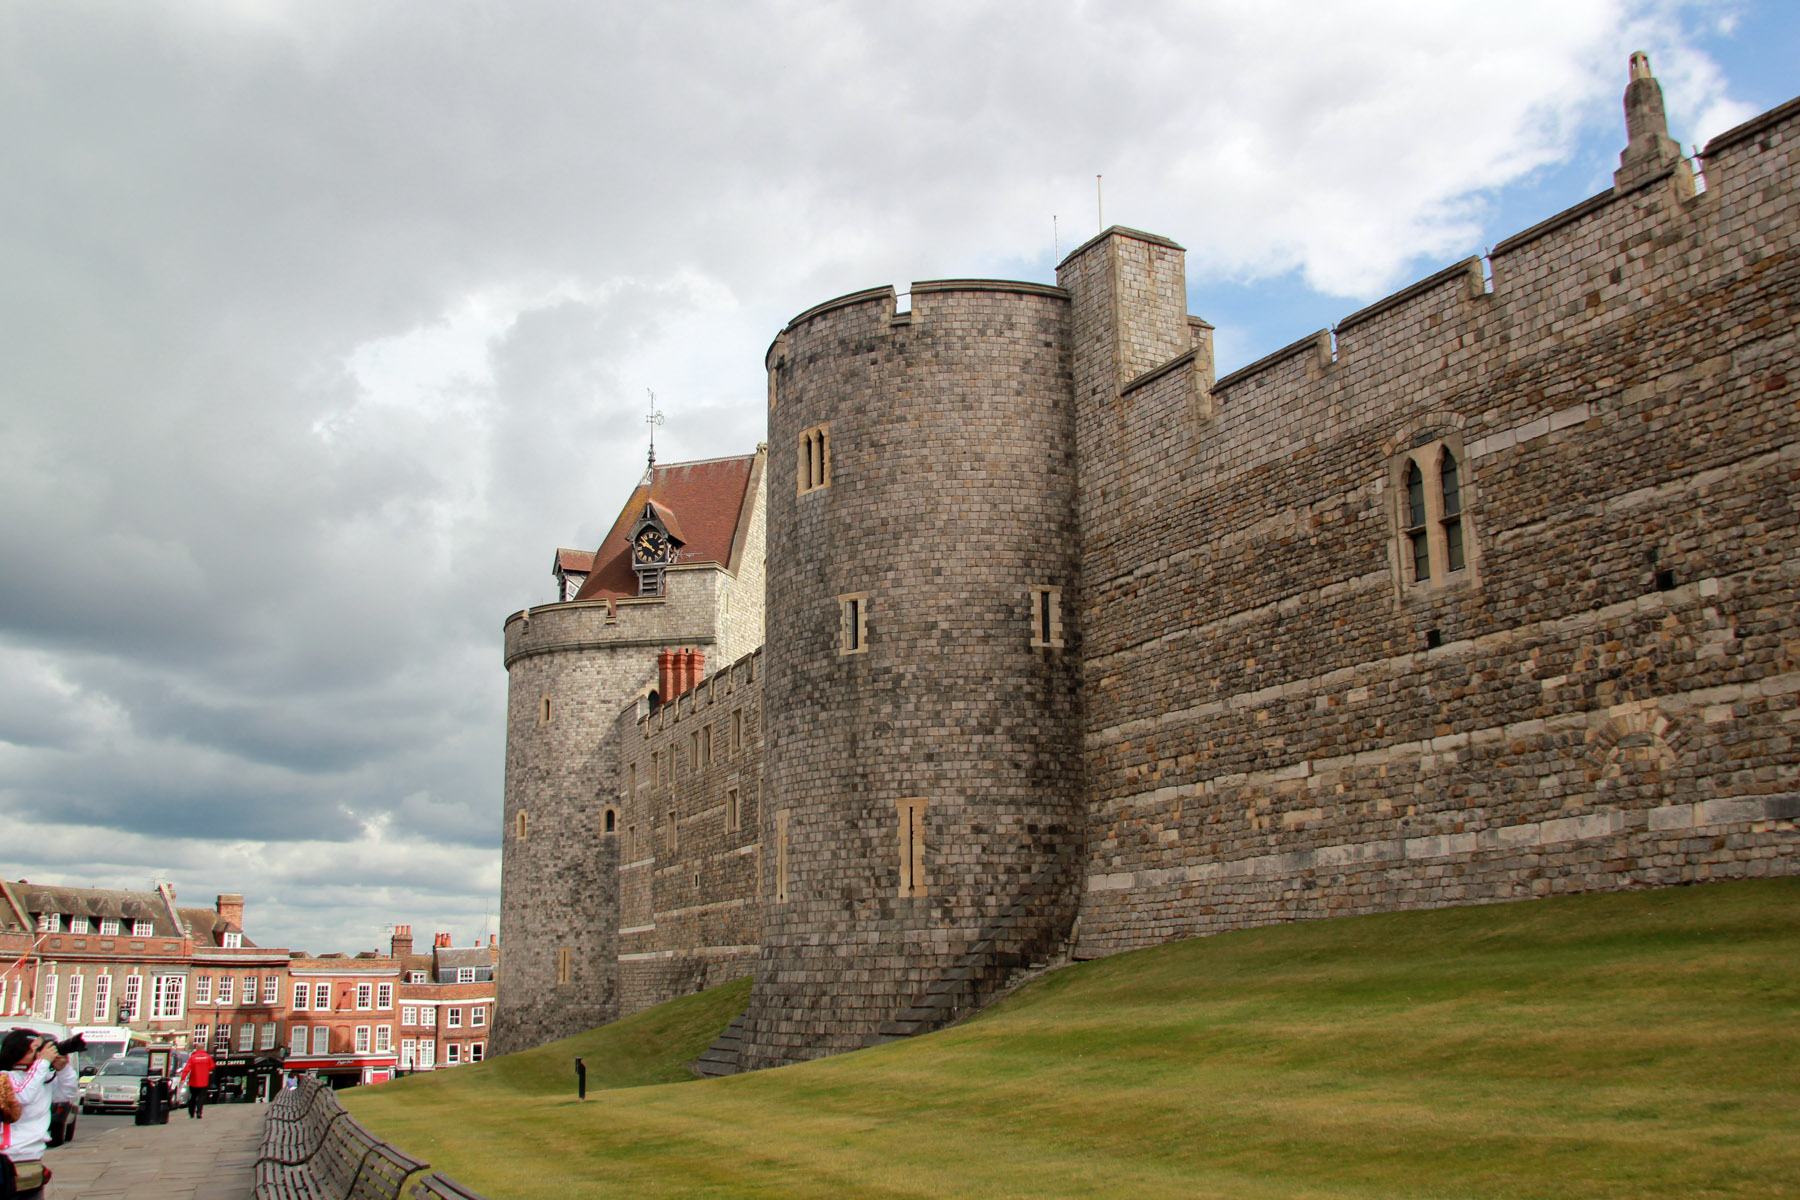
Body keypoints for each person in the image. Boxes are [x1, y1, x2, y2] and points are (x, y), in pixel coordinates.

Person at [2, 1030, 72, 1199]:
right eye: (36, 1047)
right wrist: (42, 1063)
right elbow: (22, 1096)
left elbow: (67, 1094)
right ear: (18, 1049)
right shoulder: (4, 1077)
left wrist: (63, 1070)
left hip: (33, 1159)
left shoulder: (40, 1077)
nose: (42, 1051)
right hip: (6, 1161)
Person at [174, 1043, 215, 1119]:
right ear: (203, 1048)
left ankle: (191, 1112)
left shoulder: (193, 1057)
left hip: (194, 1081)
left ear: (196, 1048)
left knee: (193, 1097)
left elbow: (187, 1068)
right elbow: (212, 1066)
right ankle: (199, 1112)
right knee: (201, 1097)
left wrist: (183, 1078)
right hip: (204, 1080)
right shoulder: (208, 1057)